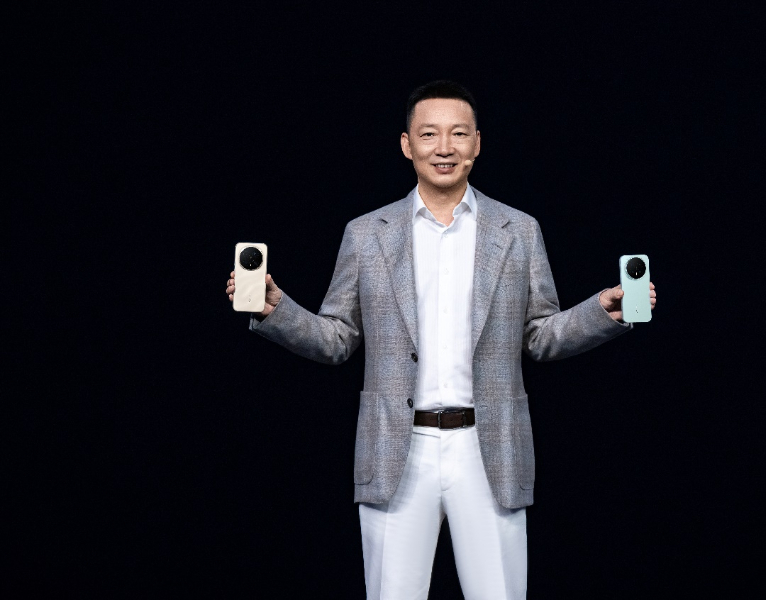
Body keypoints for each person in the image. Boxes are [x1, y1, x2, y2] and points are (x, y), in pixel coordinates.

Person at [225, 80, 657, 599]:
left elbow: (540, 335)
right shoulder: (366, 233)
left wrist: (601, 312)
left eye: (458, 133)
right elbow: (337, 338)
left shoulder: (519, 230)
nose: (444, 147)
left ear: (478, 143)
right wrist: (276, 310)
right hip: (397, 449)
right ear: (407, 144)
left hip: (489, 448)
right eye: (429, 134)